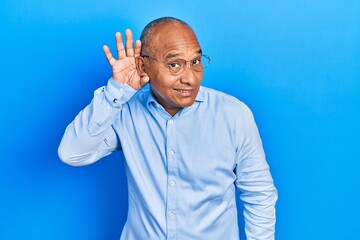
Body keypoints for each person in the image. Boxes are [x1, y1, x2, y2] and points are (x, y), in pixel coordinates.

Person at [58, 17, 278, 240]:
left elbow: (259, 194)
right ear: (144, 66)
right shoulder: (124, 110)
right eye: (174, 65)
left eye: (196, 62)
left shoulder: (233, 114)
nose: (190, 78)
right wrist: (116, 91)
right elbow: (72, 154)